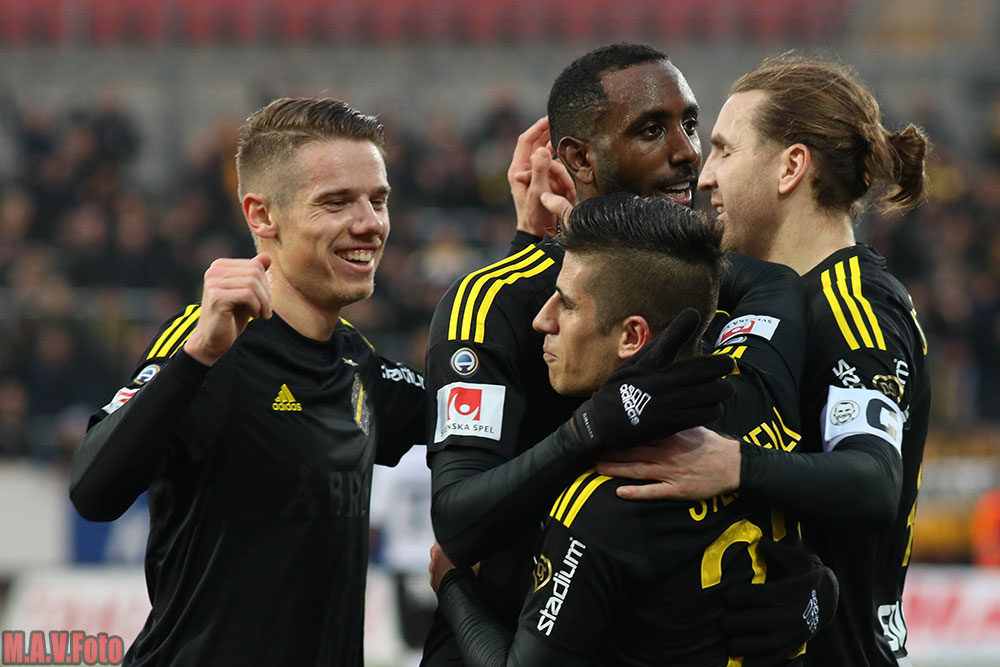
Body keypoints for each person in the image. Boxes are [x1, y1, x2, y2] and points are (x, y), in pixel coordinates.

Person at [422, 43, 828, 666]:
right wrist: (589, 430)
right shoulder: (494, 303)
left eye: (690, 123)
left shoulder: (719, 286)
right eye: (651, 130)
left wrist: (817, 590)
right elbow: (456, 520)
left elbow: (760, 447)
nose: (687, 152)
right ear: (580, 158)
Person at [68, 97, 428, 666]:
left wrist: (530, 240)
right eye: (336, 202)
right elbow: (94, 491)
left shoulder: (360, 364)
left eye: (377, 200)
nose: (369, 224)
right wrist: (197, 357)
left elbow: (494, 416)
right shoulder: (207, 341)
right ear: (262, 216)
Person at [596, 55, 931, 667]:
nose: (705, 177)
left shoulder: (854, 305)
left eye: (724, 151)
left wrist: (735, 465)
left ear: (791, 167)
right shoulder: (755, 298)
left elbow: (872, 477)